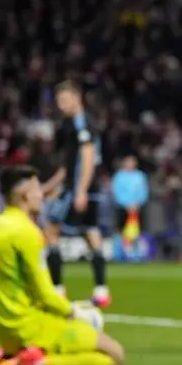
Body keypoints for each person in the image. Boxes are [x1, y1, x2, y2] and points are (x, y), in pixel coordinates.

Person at [0, 165, 125, 365]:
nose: (42, 194)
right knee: (114, 354)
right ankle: (35, 361)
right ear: (25, 196)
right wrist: (76, 312)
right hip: (30, 327)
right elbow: (44, 294)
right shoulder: (27, 232)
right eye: (37, 189)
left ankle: (16, 354)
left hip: (3, 331)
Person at [41, 81, 110, 308]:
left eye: (64, 100)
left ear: (77, 97)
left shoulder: (81, 124)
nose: (61, 105)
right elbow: (69, 165)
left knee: (51, 229)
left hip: (79, 188)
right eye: (59, 101)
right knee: (90, 232)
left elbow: (87, 158)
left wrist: (80, 190)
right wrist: (46, 187)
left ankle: (57, 290)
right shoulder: (75, 123)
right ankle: (101, 290)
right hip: (85, 187)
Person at [111, 155, 149, 247]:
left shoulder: (140, 176)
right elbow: (117, 192)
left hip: (137, 208)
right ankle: (120, 251)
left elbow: (143, 191)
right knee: (121, 229)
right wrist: (126, 204)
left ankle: (135, 252)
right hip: (122, 208)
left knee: (136, 230)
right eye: (128, 162)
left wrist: (137, 203)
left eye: (132, 162)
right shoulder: (119, 176)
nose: (130, 164)